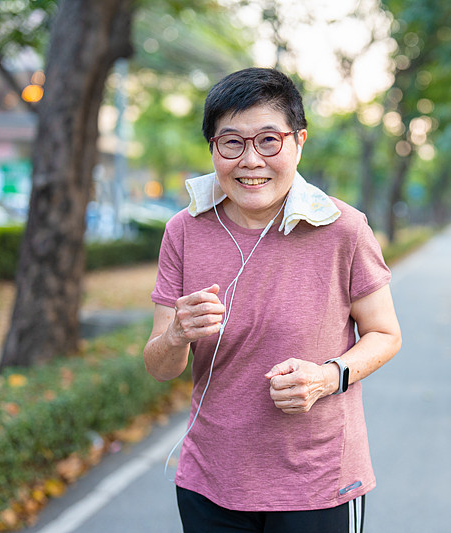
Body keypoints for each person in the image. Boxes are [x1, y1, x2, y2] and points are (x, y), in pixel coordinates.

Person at [143, 67, 401, 533]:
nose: (250, 160)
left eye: (268, 140)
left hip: (317, 482)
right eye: (232, 143)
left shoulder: (343, 228)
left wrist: (325, 378)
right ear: (213, 149)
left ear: (299, 141)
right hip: (210, 480)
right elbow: (161, 366)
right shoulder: (183, 230)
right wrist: (177, 333)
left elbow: (385, 333)